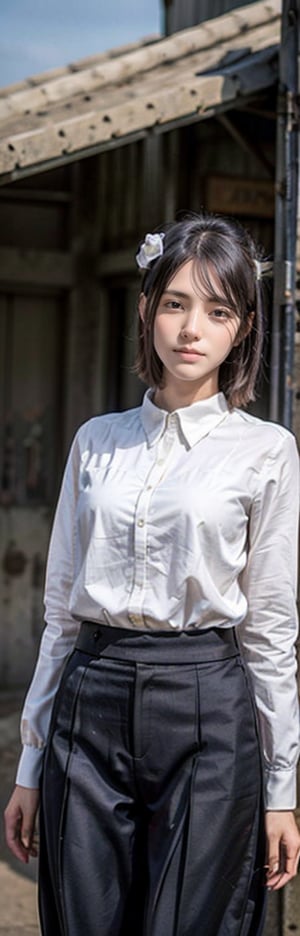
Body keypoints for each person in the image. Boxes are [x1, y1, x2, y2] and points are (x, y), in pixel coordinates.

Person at [4, 212, 300, 936]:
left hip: (208, 706)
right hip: (90, 696)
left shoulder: (266, 452)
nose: (191, 328)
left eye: (218, 309)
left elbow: (270, 627)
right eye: (175, 303)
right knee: (83, 918)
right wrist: (29, 761)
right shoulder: (96, 442)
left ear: (244, 328)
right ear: (146, 310)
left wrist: (281, 789)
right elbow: (61, 615)